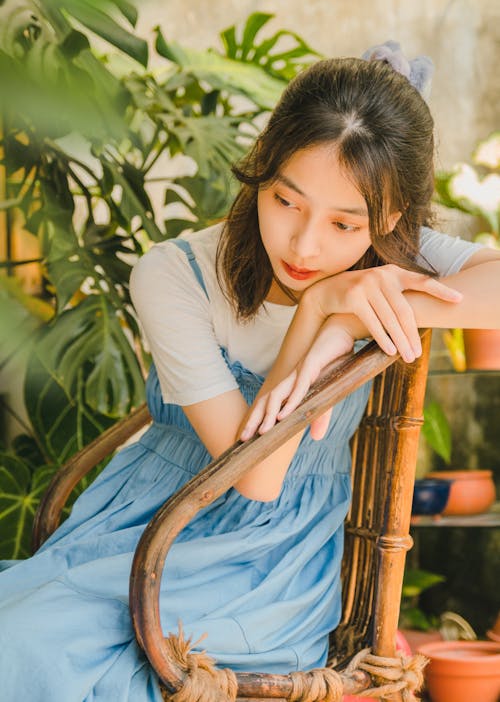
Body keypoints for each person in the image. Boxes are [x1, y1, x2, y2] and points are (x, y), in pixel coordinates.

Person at [0, 42, 499, 702]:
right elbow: (250, 470)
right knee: (22, 643)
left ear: (389, 219)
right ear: (262, 170)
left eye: (345, 223)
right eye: (285, 201)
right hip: (155, 522)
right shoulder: (174, 274)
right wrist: (320, 310)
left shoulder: (391, 252)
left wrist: (351, 318)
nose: (306, 244)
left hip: (273, 561)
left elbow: (266, 493)